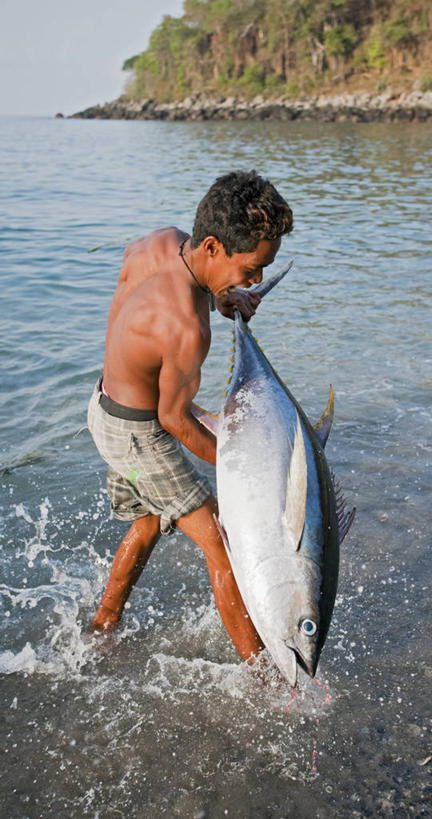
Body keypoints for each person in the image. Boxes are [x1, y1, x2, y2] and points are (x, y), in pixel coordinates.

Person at [87, 170, 293, 663]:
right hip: (140, 435)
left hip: (104, 407)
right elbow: (176, 420)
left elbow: (150, 297)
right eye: (251, 269)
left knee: (148, 520)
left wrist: (220, 294)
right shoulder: (184, 328)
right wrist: (247, 472)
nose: (257, 280)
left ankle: (103, 625)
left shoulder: (159, 243)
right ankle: (263, 675)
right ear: (213, 246)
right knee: (219, 538)